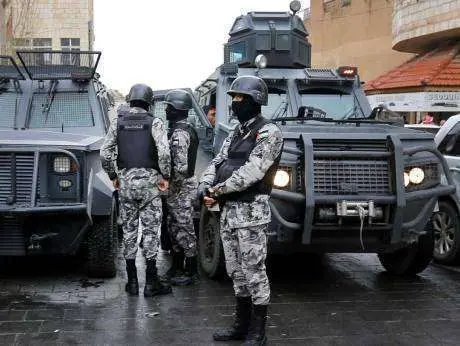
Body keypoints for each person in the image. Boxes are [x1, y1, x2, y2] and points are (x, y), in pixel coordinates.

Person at [198, 76, 283, 346]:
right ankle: (241, 325)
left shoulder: (269, 132)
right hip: (229, 213)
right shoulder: (236, 132)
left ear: (255, 100)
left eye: (240, 98)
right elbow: (219, 160)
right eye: (233, 98)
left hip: (250, 214)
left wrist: (217, 191)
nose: (235, 104)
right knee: (236, 271)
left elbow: (252, 172)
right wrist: (205, 184)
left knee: (254, 271)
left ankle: (258, 331)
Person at [100, 83, 172, 297]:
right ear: (149, 102)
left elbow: (105, 154)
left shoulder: (118, 122)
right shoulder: (155, 122)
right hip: (150, 186)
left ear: (130, 100)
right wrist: (165, 176)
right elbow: (165, 154)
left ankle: (132, 283)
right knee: (150, 232)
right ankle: (151, 284)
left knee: (129, 232)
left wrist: (113, 176)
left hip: (126, 185)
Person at [164, 89, 200, 286]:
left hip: (180, 189)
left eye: (169, 107)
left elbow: (180, 168)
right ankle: (177, 267)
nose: (167, 110)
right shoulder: (182, 129)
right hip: (177, 189)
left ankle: (191, 271)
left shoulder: (180, 133)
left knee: (184, 228)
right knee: (174, 227)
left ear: (178, 108)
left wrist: (167, 185)